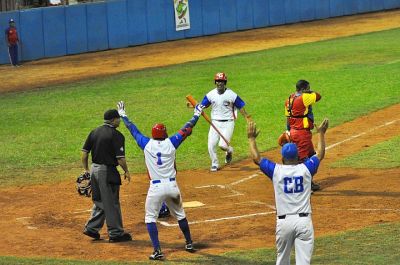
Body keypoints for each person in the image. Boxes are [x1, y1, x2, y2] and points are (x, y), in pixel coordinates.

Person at [117, 101, 201, 260]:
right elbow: (187, 127)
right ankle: (189, 242)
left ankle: (157, 250)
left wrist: (123, 115)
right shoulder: (172, 142)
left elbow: (133, 130)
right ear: (164, 134)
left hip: (155, 188)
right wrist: (196, 114)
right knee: (181, 215)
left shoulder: (146, 144)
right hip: (172, 186)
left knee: (150, 218)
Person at [247, 118, 329, 265]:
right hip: (304, 222)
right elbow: (319, 155)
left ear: (283, 158)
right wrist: (321, 133)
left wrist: (251, 139)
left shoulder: (276, 171)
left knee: (282, 262)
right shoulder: (306, 169)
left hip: (284, 223)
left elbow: (256, 158)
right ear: (298, 157)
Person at [81, 109, 132, 243]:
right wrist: (126, 171)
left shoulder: (94, 132)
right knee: (111, 202)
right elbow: (120, 158)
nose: (119, 121)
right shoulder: (116, 135)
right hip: (106, 172)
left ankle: (91, 228)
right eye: (118, 118)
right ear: (113, 119)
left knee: (100, 200)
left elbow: (85, 153)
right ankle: (115, 234)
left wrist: (86, 170)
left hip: (94, 169)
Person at [199, 72, 252, 172]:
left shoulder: (231, 94)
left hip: (228, 123)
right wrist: (196, 107)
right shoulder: (210, 94)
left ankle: (229, 150)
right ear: (215, 82)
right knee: (211, 145)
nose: (220, 83)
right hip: (214, 123)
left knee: (223, 145)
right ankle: (214, 163)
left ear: (225, 82)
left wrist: (247, 118)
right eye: (218, 81)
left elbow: (241, 106)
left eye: (222, 81)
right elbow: (202, 106)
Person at [284, 80, 322, 192]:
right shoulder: (304, 97)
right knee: (303, 160)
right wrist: (309, 91)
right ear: (304, 89)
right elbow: (318, 96)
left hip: (295, 131)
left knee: (311, 155)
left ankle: (309, 182)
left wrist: (288, 131)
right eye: (308, 88)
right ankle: (304, 185)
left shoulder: (289, 99)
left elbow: (288, 117)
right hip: (301, 134)